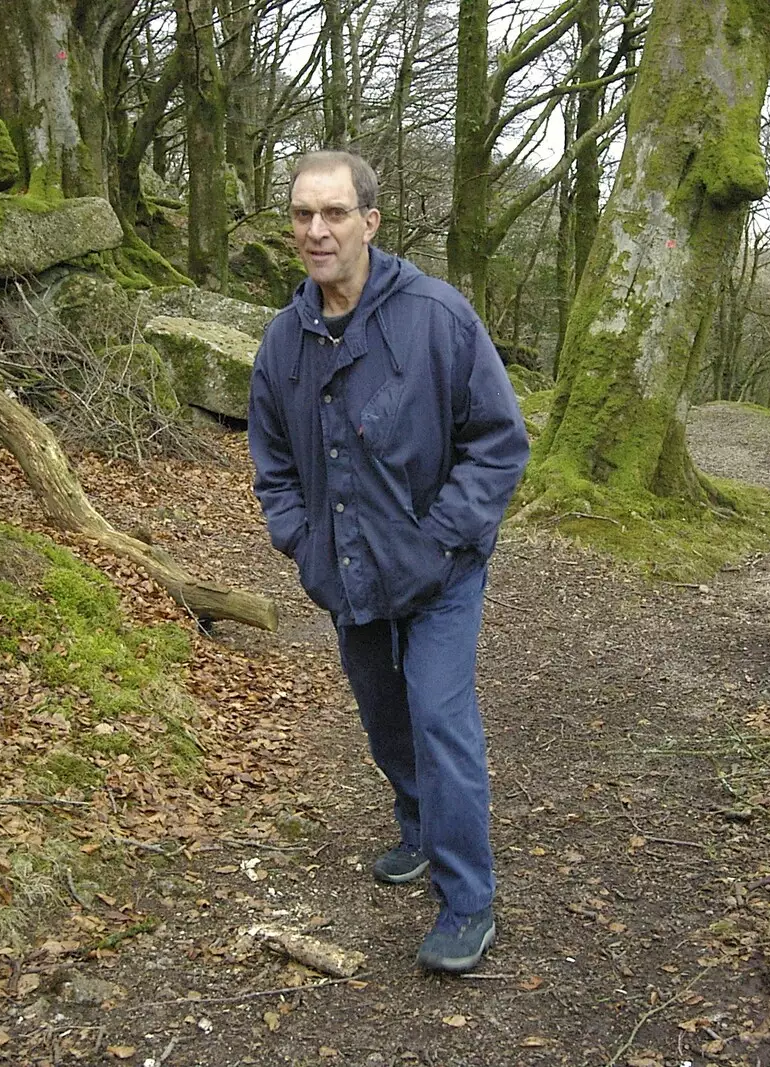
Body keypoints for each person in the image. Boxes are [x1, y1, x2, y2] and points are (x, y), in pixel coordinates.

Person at [247, 150, 529, 974]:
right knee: (385, 717)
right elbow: (273, 461)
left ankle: (467, 899)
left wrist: (445, 536)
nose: (316, 230)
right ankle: (416, 824)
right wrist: (300, 539)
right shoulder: (283, 340)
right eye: (302, 214)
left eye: (333, 213)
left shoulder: (438, 317)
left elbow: (498, 442)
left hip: (441, 569)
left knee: (441, 719)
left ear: (370, 222)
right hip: (348, 572)